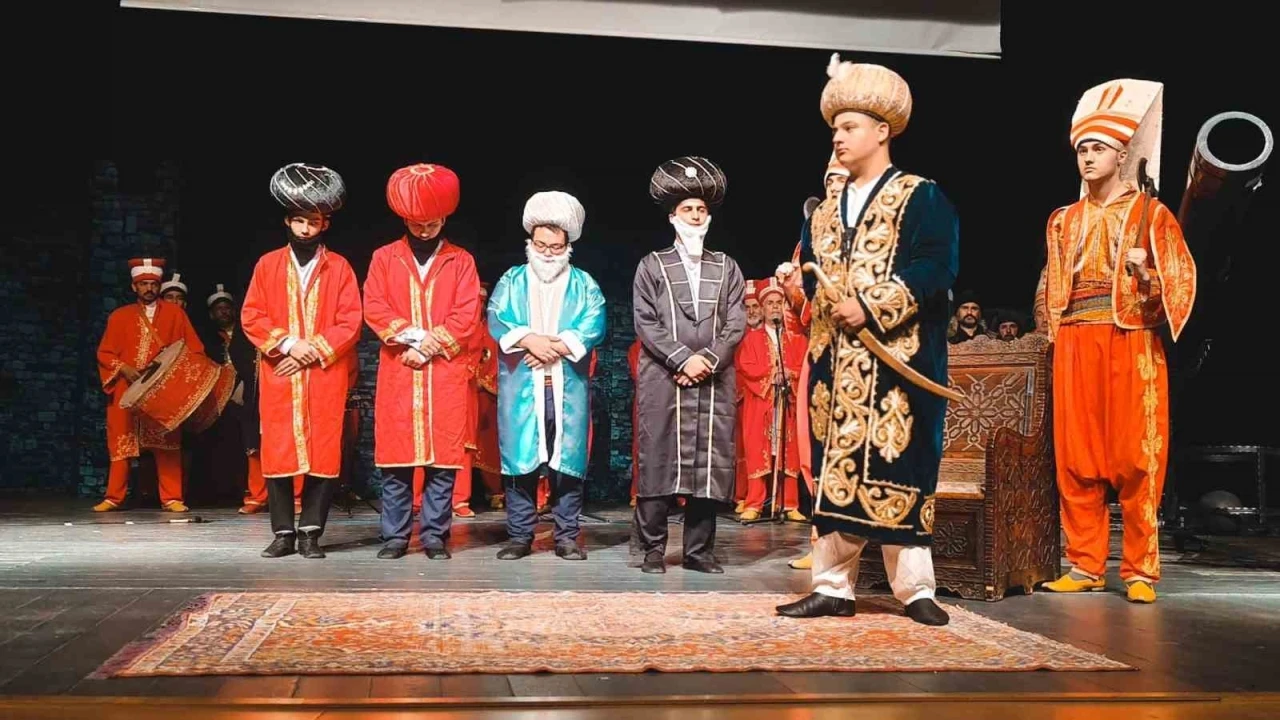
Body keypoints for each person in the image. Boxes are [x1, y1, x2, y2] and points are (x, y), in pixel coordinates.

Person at [775, 55, 957, 625]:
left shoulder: (921, 195)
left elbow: (937, 266)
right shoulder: (823, 213)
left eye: (849, 127)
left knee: (902, 466)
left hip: (899, 362)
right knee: (835, 472)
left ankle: (916, 590)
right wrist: (814, 296)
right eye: (835, 128)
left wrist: (873, 305)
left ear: (881, 131)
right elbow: (814, 277)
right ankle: (833, 586)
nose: (838, 138)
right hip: (834, 365)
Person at [1038, 79, 1195, 604]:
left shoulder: (1151, 213)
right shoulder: (1062, 220)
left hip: (1130, 337)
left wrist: (1146, 278)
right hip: (1075, 338)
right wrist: (1051, 337)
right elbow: (1052, 286)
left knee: (1136, 455)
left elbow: (1180, 283)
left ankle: (1140, 570)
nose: (1087, 157)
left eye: (1098, 148)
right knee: (1076, 457)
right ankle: (1084, 564)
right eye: (1082, 149)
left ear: (1122, 155)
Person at [241, 163, 363, 559]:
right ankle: (282, 533)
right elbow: (252, 315)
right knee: (278, 450)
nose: (306, 229)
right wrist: (290, 345)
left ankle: (311, 533)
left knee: (322, 451)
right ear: (287, 221)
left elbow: (350, 320)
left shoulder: (339, 267)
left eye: (313, 221)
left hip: (324, 373)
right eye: (299, 220)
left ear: (325, 223)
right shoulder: (268, 264)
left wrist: (314, 350)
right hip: (281, 371)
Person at [632, 156, 746, 574]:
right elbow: (646, 322)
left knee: (708, 463)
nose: (695, 215)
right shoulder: (652, 264)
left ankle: (699, 552)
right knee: (659, 458)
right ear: (673, 216)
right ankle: (652, 551)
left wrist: (707, 361)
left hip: (714, 378)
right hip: (664, 376)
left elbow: (736, 322)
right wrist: (683, 358)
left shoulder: (726, 266)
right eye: (687, 209)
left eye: (701, 209)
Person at [364, 162, 480, 561]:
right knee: (396, 464)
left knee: (442, 465)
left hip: (443, 372)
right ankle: (395, 537)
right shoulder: (384, 257)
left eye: (431, 223)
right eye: (417, 223)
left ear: (443, 218)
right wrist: (413, 338)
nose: (424, 229)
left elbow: (466, 313)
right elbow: (374, 306)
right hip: (400, 368)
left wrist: (429, 346)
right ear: (405, 220)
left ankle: (434, 536)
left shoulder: (461, 260)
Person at [489, 190, 607, 560]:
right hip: (523, 386)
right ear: (531, 242)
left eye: (555, 247)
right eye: (541, 245)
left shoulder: (584, 283)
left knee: (566, 463)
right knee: (521, 461)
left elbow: (595, 321)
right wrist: (530, 340)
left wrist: (554, 347)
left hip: (566, 386)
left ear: (567, 246)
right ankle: (519, 535)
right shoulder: (512, 280)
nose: (547, 254)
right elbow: (497, 316)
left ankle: (566, 536)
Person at [93, 257, 205, 513]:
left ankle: (172, 497)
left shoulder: (176, 314)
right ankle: (114, 497)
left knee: (166, 444)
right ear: (134, 287)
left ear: (159, 286)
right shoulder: (119, 316)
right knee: (122, 443)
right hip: (126, 388)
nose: (149, 288)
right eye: (143, 284)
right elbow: (104, 353)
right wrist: (124, 368)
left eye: (153, 284)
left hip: (163, 391)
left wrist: (175, 375)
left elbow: (194, 349)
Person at [735, 279, 806, 522]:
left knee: (789, 451)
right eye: (770, 303)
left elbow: (804, 366)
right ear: (763, 308)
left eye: (779, 302)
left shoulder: (796, 339)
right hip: (761, 403)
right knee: (758, 451)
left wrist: (790, 375)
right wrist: (770, 374)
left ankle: (789, 504)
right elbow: (746, 366)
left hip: (788, 403)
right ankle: (754, 503)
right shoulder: (750, 339)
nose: (774, 307)